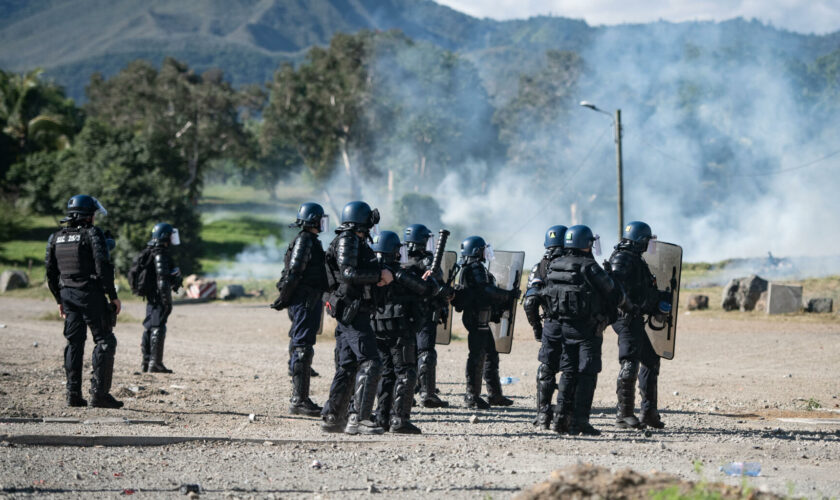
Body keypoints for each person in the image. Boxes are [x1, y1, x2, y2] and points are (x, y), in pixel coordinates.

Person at [541, 225, 631, 435]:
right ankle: (580, 421)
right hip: (587, 330)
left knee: (568, 372)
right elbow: (613, 293)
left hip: (563, 327)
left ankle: (560, 419)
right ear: (586, 243)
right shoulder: (589, 266)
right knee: (587, 373)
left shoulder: (555, 264)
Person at [320, 201, 393, 435]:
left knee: (348, 365)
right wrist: (378, 275)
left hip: (354, 310)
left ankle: (333, 416)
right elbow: (348, 273)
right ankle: (359, 419)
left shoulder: (355, 240)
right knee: (372, 361)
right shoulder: (348, 239)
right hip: (352, 312)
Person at [370, 231, 454, 433]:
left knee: (387, 373)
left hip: (377, 328)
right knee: (406, 371)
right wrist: (430, 281)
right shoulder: (398, 273)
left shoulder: (373, 272)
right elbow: (426, 290)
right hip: (400, 329)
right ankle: (400, 419)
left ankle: (382, 417)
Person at [45, 195, 123, 408]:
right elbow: (103, 267)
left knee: (74, 343)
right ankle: (99, 395)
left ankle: (73, 395)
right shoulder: (92, 233)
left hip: (67, 295)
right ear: (88, 215)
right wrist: (113, 296)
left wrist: (59, 299)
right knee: (105, 341)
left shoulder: (56, 237)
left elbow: (50, 273)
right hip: (91, 295)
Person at [608, 221, 671, 429]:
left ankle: (649, 413)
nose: (650, 244)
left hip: (634, 316)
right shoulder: (622, 259)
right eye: (648, 240)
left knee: (651, 360)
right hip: (625, 317)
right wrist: (636, 306)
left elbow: (640, 289)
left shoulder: (634, 258)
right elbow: (617, 291)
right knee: (629, 362)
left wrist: (658, 299)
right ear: (641, 240)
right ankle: (623, 415)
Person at [274, 203, 329, 417]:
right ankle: (299, 400)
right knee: (302, 348)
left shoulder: (308, 240)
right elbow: (294, 273)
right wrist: (283, 299)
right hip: (304, 300)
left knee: (303, 345)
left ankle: (301, 399)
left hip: (308, 300)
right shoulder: (305, 240)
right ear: (314, 220)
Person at [454, 236, 519, 409]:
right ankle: (472, 396)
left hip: (479, 317)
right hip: (477, 318)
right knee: (477, 356)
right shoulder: (475, 267)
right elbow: (486, 290)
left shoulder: (471, 267)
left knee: (490, 354)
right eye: (483, 249)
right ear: (477, 251)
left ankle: (495, 395)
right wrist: (508, 295)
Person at [523, 225, 569, 431]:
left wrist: (537, 328)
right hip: (572, 325)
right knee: (571, 368)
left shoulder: (539, 267)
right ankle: (564, 416)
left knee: (546, 367)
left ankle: (542, 416)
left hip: (550, 324)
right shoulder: (574, 264)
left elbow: (529, 302)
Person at [403, 224, 449, 408]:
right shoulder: (427, 261)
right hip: (424, 312)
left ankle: (407, 393)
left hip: (405, 313)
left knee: (407, 354)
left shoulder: (400, 259)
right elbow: (436, 283)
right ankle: (427, 394)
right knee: (426, 353)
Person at [140, 223, 183, 374]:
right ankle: (155, 363)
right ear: (165, 236)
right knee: (158, 327)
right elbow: (162, 280)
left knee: (150, 327)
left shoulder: (151, 250)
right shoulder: (160, 253)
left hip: (152, 295)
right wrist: (167, 302)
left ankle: (147, 362)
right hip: (158, 296)